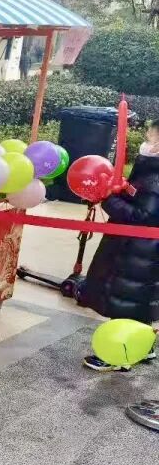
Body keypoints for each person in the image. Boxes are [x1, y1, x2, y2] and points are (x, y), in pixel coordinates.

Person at [79, 121, 159, 372]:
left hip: (139, 248)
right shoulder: (149, 168)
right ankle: (144, 346)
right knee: (139, 298)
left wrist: (107, 199)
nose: (147, 139)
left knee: (126, 299)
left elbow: (143, 216)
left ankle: (117, 354)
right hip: (140, 247)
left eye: (152, 136)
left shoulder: (155, 175)